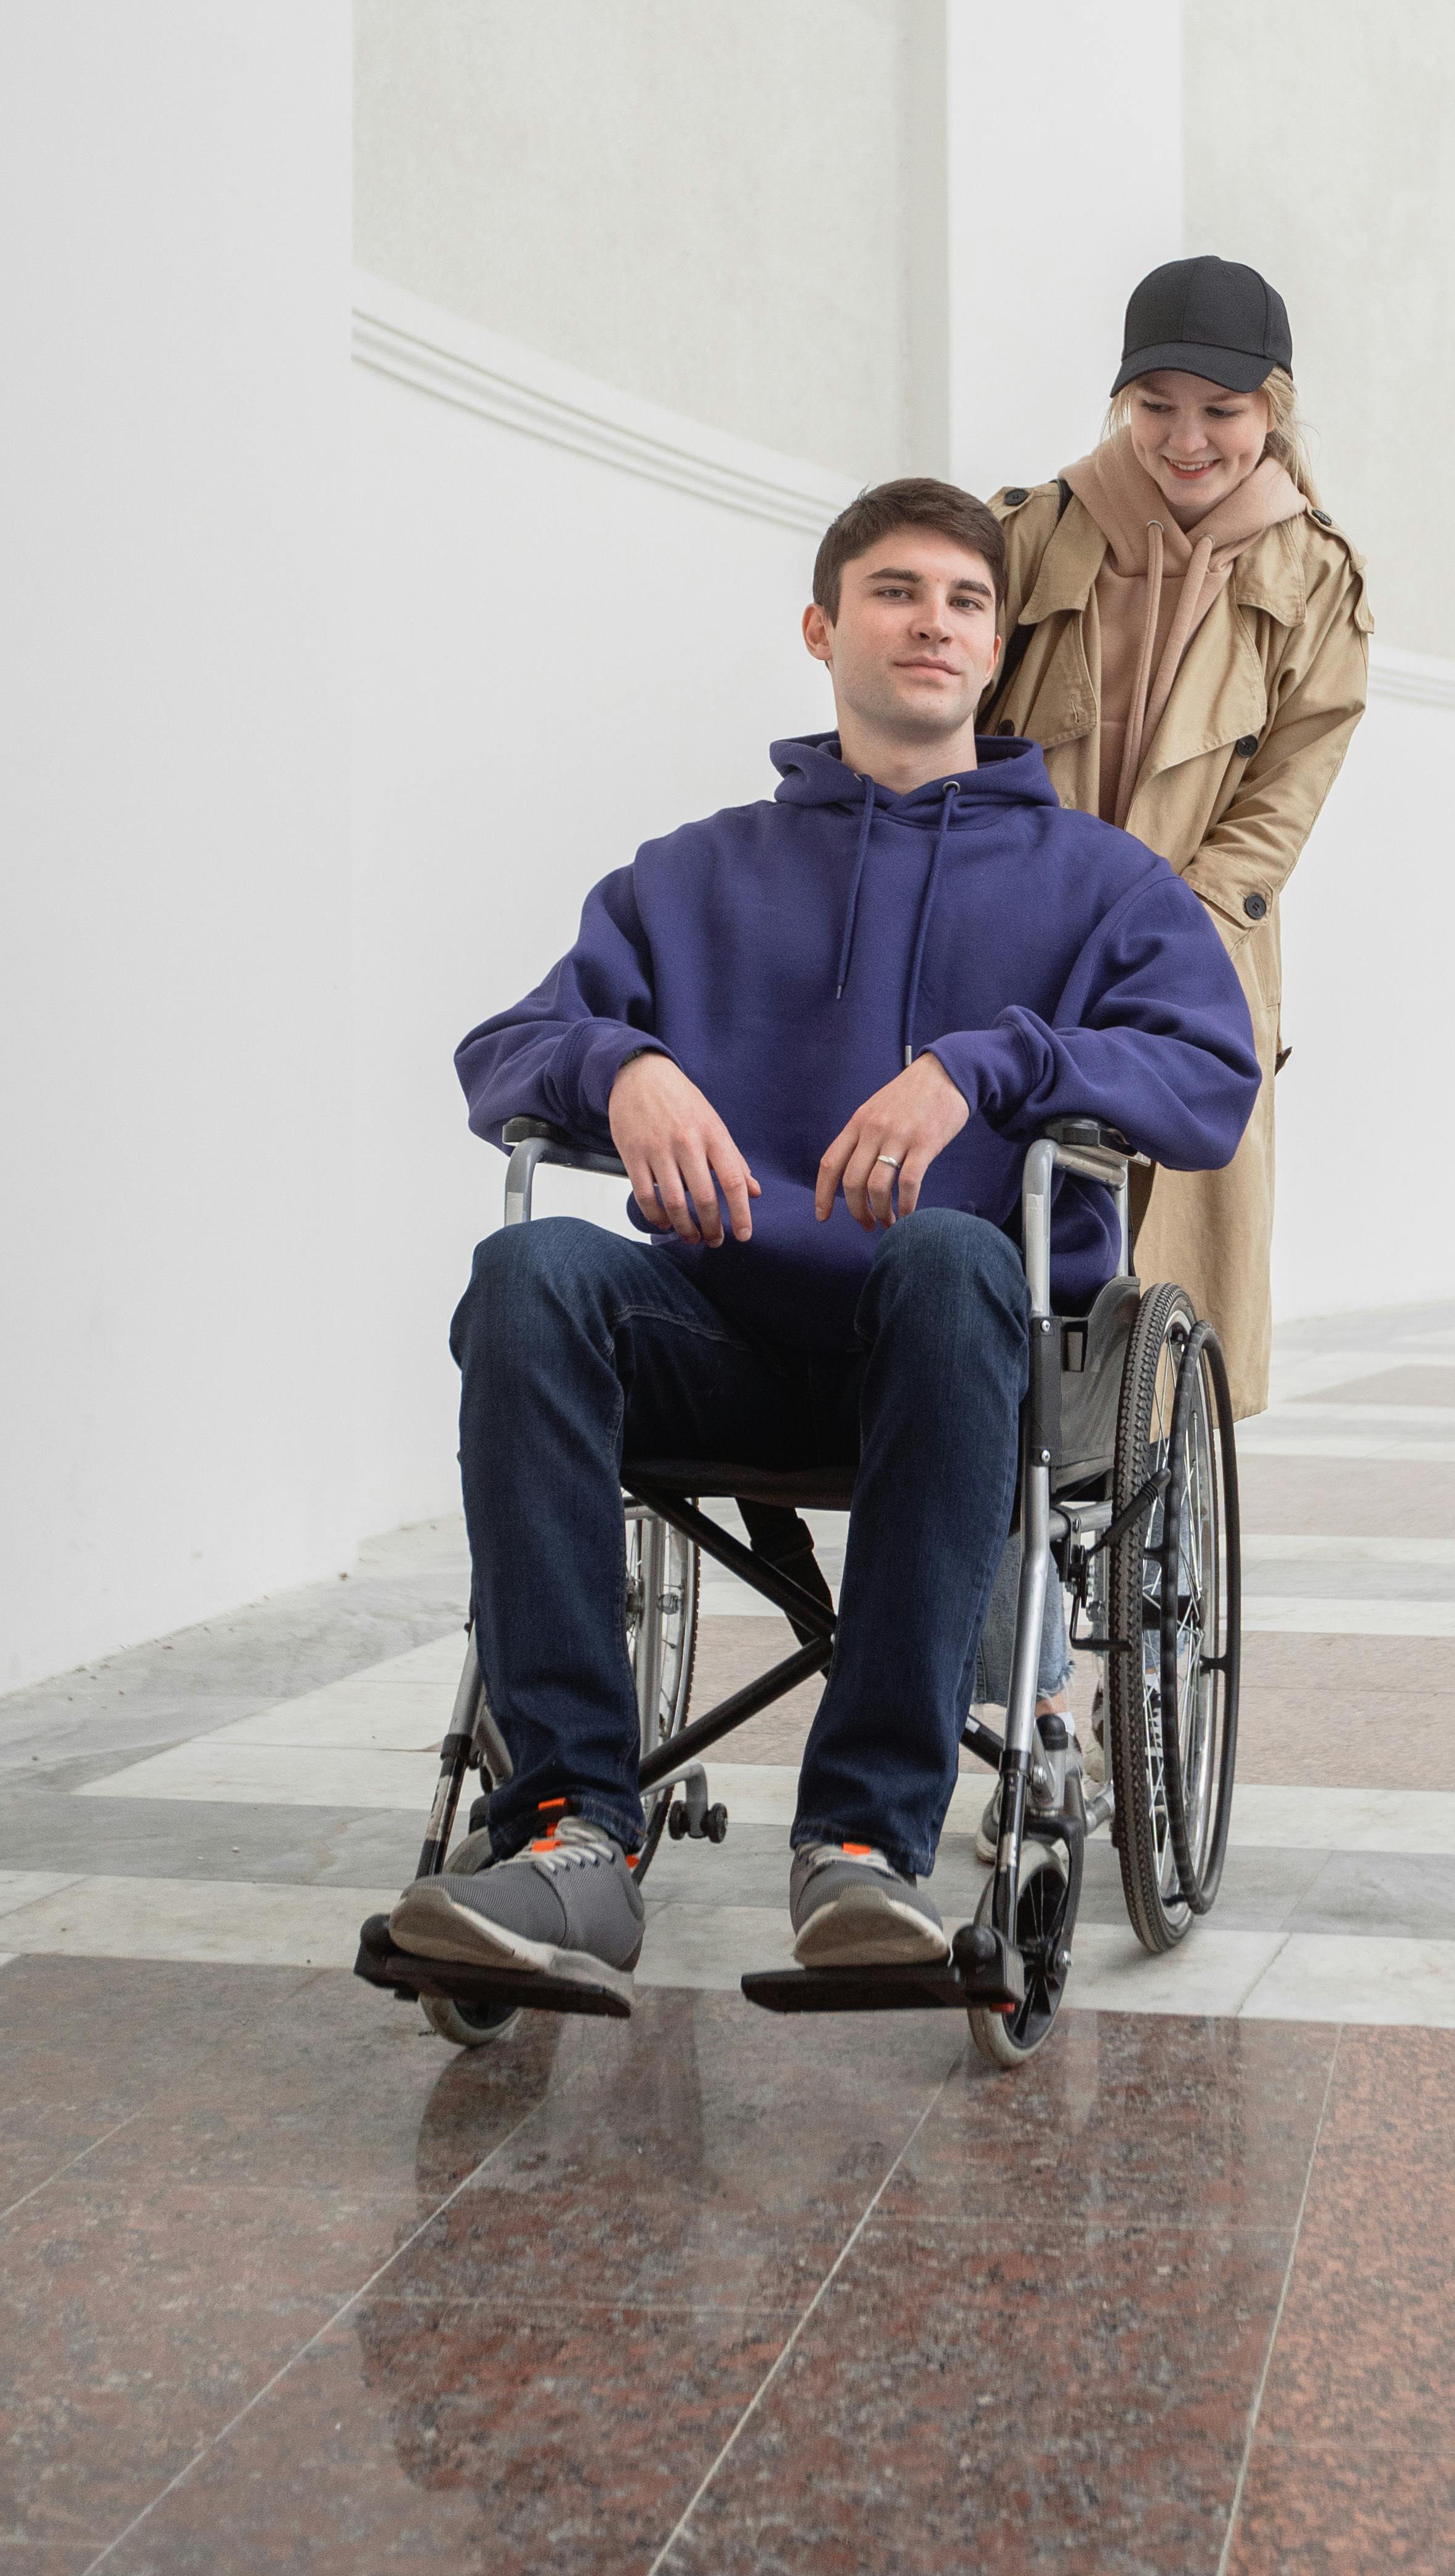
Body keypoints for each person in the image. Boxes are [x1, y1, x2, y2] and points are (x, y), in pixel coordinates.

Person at [384, 478, 1259, 2005]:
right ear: (822, 627)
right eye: (896, 593)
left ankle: (858, 1843)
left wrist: (992, 1064)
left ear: (994, 653)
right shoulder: (692, 874)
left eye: (965, 604)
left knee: (949, 1256)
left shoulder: (1100, 882)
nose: (934, 624)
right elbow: (503, 1052)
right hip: (723, 1338)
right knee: (525, 1274)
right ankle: (572, 1828)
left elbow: (1206, 1082)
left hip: (959, 1358)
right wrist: (621, 1067)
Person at [987, 253, 1369, 1423]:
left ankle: (1146, 1499)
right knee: (987, 1258)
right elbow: (959, 722)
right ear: (1121, 401)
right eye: (1155, 407)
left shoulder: (1316, 576)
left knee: (1165, 1297)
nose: (1185, 439)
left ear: (1274, 408)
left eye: (1221, 410)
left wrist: (1162, 933)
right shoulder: (1035, 531)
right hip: (1010, 940)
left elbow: (1281, 804)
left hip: (1191, 958)